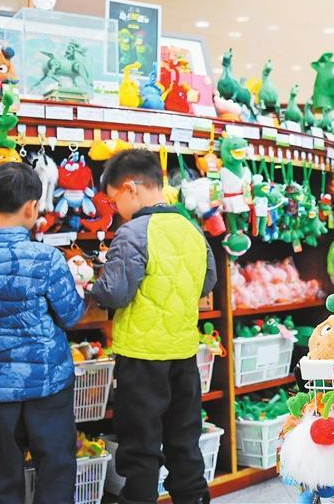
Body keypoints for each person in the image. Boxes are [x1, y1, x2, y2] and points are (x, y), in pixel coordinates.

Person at [91, 149, 218, 504]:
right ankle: (193, 497)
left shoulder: (132, 232)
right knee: (184, 440)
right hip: (184, 352)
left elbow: (115, 292)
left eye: (114, 199)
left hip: (141, 357)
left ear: (130, 189)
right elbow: (208, 281)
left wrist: (93, 286)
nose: (115, 208)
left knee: (140, 444)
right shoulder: (192, 229)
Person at [0, 163, 85, 503]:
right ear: (31, 207)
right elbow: (72, 315)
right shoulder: (47, 259)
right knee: (56, 467)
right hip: (48, 383)